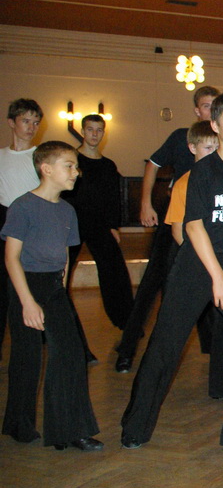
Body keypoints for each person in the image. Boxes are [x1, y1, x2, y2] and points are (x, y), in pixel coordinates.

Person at [120, 92, 223, 451]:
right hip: (194, 267)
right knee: (165, 348)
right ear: (215, 125)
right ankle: (134, 427)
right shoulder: (204, 170)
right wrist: (218, 279)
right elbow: (193, 227)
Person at [2, 141, 102, 451]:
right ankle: (19, 423)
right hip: (26, 285)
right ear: (46, 169)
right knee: (27, 357)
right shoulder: (22, 206)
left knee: (71, 355)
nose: (76, 172)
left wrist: (62, 288)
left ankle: (69, 431)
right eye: (69, 166)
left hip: (54, 287)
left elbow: (66, 254)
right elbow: (11, 258)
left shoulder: (67, 210)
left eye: (76, 166)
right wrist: (27, 302)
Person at [160, 121, 223, 399]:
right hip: (193, 264)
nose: (213, 153)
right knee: (175, 328)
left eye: (216, 148)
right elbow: (178, 229)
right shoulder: (184, 183)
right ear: (192, 148)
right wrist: (202, 261)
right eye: (208, 148)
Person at [64, 114, 134, 332]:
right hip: (72, 223)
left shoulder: (108, 166)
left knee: (115, 271)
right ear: (82, 132)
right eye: (90, 129)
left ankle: (127, 322)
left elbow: (113, 199)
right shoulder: (71, 160)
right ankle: (55, 324)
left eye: (99, 130)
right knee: (61, 272)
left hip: (100, 224)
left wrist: (113, 226)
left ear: (104, 133)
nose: (94, 134)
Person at [0, 99, 44, 363]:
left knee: (35, 287)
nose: (31, 127)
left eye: (35, 122)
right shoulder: (1, 157)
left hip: (33, 225)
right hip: (5, 222)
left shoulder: (41, 157)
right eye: (26, 121)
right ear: (11, 123)